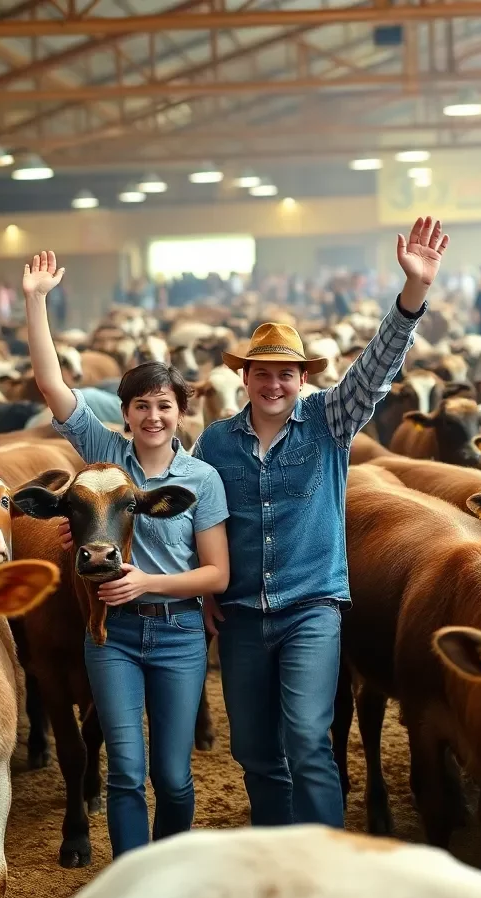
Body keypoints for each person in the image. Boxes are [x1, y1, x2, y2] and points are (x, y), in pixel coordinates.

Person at [192, 216, 450, 830]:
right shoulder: (214, 444)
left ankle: (325, 857)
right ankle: (280, 849)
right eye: (263, 372)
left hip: (312, 607)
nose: (274, 382)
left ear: (302, 379)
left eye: (286, 372)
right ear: (244, 379)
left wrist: (411, 294)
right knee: (253, 749)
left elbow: (378, 368)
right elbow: (193, 519)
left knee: (308, 739)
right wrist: (203, 585)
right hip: (242, 613)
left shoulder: (330, 422)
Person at [23, 250, 230, 859]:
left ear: (180, 412)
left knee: (172, 776)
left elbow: (218, 572)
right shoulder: (103, 455)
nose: (152, 416)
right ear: (127, 413)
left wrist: (146, 584)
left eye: (164, 405)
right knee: (121, 770)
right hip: (109, 634)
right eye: (141, 405)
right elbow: (50, 384)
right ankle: (131, 879)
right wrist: (37, 301)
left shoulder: (202, 480)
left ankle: (169, 871)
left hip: (178, 634)